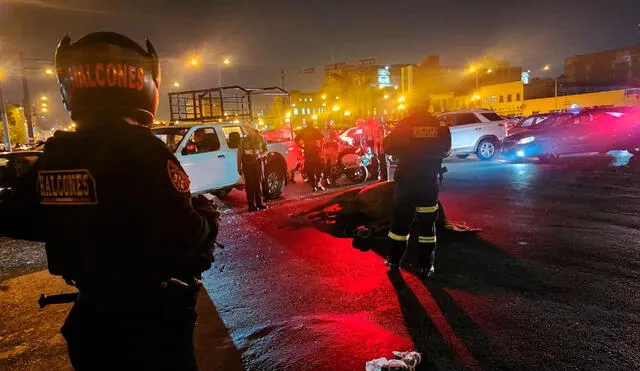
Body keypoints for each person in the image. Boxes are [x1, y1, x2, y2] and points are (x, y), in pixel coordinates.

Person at [0, 32, 219, 370]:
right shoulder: (145, 151)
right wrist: (207, 217)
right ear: (146, 84)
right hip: (151, 325)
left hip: (92, 321)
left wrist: (76, 225)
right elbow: (184, 235)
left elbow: (16, 217)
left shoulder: (58, 154)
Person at [383, 96, 451, 278]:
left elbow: (387, 146)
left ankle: (395, 260)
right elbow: (446, 149)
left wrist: (407, 148)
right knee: (427, 227)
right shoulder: (440, 126)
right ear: (428, 106)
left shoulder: (404, 125)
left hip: (406, 182)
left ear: (410, 108)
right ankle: (426, 266)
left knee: (400, 224)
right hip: (429, 182)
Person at [237, 122, 268, 211]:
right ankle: (251, 205)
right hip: (247, 163)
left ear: (255, 130)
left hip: (257, 162)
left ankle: (260, 203)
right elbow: (240, 153)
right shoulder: (243, 140)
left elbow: (266, 150)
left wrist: (260, 155)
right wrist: (238, 166)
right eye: (248, 128)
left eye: (250, 128)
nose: (248, 130)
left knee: (258, 183)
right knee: (249, 185)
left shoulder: (261, 139)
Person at [295, 121, 325, 192]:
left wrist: (302, 147)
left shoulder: (303, 131)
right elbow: (322, 139)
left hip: (307, 151)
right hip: (315, 151)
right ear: (312, 124)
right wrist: (321, 148)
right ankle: (318, 183)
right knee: (319, 168)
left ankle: (313, 186)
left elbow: (296, 140)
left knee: (309, 169)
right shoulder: (315, 130)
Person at [320, 121, 340, 187]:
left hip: (325, 150)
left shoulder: (323, 131)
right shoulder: (333, 131)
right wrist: (345, 142)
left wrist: (322, 151)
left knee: (327, 165)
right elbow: (338, 139)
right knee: (333, 166)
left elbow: (321, 141)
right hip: (332, 149)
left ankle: (324, 180)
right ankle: (333, 182)